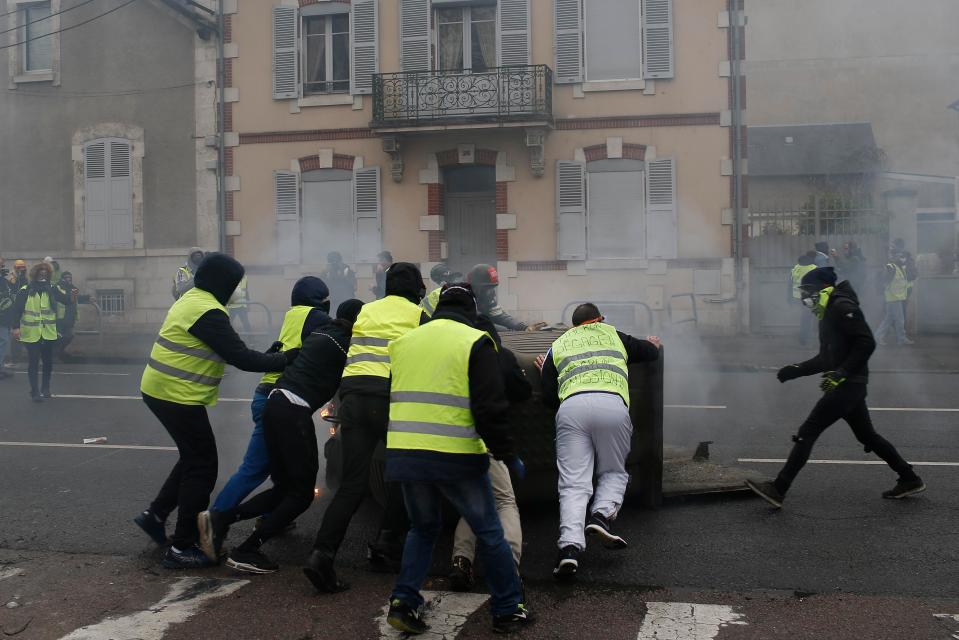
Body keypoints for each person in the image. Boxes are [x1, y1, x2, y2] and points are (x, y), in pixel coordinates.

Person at [384, 284, 533, 636]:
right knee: (489, 530)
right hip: (456, 455)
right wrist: (508, 454)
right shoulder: (475, 341)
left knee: (422, 529)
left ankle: (404, 603)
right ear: (473, 308)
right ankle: (509, 609)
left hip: (406, 452)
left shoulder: (405, 342)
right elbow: (489, 407)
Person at [134, 253, 296, 569]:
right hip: (175, 394)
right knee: (203, 466)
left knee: (192, 457)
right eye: (235, 284)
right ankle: (181, 547)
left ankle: (155, 515)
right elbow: (241, 358)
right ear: (222, 283)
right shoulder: (206, 310)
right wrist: (286, 359)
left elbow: (234, 351)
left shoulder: (195, 298)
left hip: (164, 390)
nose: (237, 290)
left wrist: (268, 356)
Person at [198, 300, 364, 574]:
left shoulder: (320, 333)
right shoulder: (347, 346)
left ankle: (220, 518)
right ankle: (247, 549)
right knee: (300, 495)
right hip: (293, 411)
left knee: (284, 488)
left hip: (274, 403)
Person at [746, 266, 925, 508]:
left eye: (807, 291)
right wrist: (796, 370)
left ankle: (778, 488)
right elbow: (826, 359)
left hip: (848, 385)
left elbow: (867, 342)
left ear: (822, 287)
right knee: (867, 436)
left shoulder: (841, 307)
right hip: (850, 386)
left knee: (807, 432)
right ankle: (909, 478)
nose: (803, 298)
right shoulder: (827, 312)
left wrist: (842, 373)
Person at [304, 262, 428, 592]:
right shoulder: (419, 315)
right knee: (402, 475)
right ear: (418, 290)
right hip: (392, 400)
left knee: (352, 485)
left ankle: (321, 554)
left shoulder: (367, 311)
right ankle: (387, 547)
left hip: (355, 399)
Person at [535, 304, 661, 579]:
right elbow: (649, 352)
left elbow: (547, 397)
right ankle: (601, 516)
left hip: (572, 409)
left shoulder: (558, 344)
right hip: (611, 405)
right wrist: (653, 343)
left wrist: (548, 371)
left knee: (573, 483)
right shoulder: (613, 334)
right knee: (614, 471)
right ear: (600, 319)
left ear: (573, 326)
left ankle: (569, 549)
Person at [209, 276, 332, 517]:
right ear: (317, 300)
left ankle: (274, 518)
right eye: (325, 299)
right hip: (276, 400)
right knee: (254, 469)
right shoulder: (317, 317)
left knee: (282, 469)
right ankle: (214, 520)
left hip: (267, 394)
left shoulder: (293, 314)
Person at [448, 313, 531, 592]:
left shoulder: (454, 353)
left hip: (455, 441)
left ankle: (461, 560)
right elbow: (522, 392)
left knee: (472, 503)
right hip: (487, 442)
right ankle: (509, 567)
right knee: (505, 501)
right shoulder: (500, 356)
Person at [11, 262, 70, 401]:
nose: (43, 274)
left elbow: (67, 300)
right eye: (40, 271)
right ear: (35, 273)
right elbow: (17, 310)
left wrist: (74, 292)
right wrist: (15, 328)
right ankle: (35, 391)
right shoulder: (26, 290)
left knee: (48, 362)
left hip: (48, 333)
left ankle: (46, 388)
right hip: (31, 334)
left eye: (45, 272)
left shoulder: (52, 288)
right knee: (34, 362)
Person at [467, 264, 538, 332]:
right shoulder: (466, 300)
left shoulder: (487, 298)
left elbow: (501, 316)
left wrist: (523, 327)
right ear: (477, 288)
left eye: (493, 288)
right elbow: (480, 323)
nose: (492, 293)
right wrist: (508, 332)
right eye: (488, 289)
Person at [875, 251, 914, 346]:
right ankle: (901, 338)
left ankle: (878, 336)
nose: (902, 258)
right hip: (893, 298)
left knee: (888, 319)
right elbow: (885, 279)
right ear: (895, 257)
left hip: (896, 297)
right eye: (900, 257)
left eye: (903, 257)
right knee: (899, 319)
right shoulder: (891, 266)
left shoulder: (901, 268)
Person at [789, 252, 818, 346]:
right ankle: (804, 338)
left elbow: (790, 284)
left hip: (798, 297)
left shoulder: (795, 268)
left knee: (805, 317)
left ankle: (805, 337)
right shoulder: (813, 268)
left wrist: (789, 298)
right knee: (808, 318)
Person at [55, 271, 80, 361]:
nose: (69, 279)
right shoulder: (58, 287)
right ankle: (55, 355)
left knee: (69, 336)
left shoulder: (73, 288)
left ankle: (58, 353)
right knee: (59, 337)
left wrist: (88, 298)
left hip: (70, 318)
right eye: (66, 277)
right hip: (60, 318)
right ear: (62, 278)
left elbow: (76, 301)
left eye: (70, 277)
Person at [0, 258, 16, 378]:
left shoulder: (4, 280)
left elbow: (11, 292)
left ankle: (1, 367)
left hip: (5, 317)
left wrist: (12, 281)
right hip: (2, 316)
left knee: (4, 342)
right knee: (3, 341)